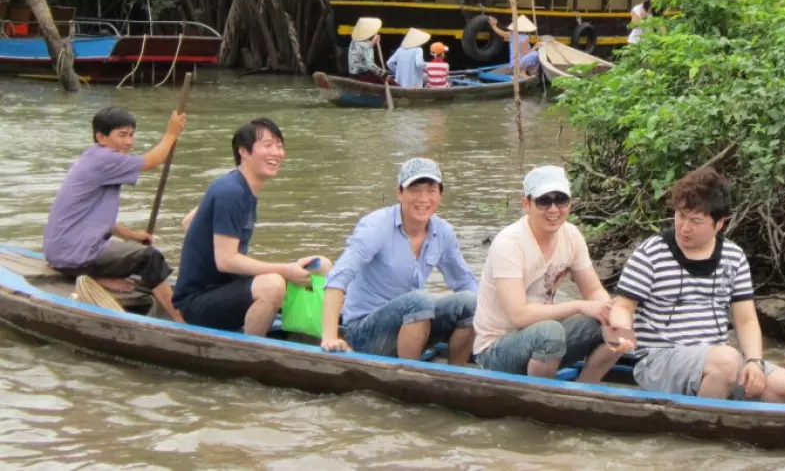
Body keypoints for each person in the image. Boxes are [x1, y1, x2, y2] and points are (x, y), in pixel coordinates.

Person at [608, 167, 785, 403]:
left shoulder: (733, 256)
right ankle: (705, 432)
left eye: (696, 221)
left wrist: (754, 362)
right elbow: (623, 306)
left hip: (717, 360)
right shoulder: (651, 252)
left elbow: (746, 320)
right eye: (680, 215)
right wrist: (622, 333)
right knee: (726, 361)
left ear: (719, 223)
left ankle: (736, 428)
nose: (684, 227)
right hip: (659, 360)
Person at [473, 165, 631, 381]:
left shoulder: (571, 235)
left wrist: (610, 313)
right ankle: (544, 397)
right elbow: (519, 316)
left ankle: (585, 390)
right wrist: (579, 306)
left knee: (614, 322)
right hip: (497, 348)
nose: (554, 209)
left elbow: (593, 289)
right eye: (544, 201)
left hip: (542, 340)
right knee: (550, 332)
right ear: (527, 204)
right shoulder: (509, 243)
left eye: (561, 200)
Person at [173, 118, 326, 335]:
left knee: (320, 265)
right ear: (244, 151)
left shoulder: (235, 185)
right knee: (273, 284)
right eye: (267, 145)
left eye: (279, 146)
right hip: (197, 302)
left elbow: (189, 222)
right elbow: (225, 261)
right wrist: (284, 270)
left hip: (226, 288)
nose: (276, 153)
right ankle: (252, 349)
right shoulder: (232, 192)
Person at [320, 157, 477, 362]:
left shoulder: (443, 232)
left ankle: (456, 375)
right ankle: (408, 375)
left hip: (414, 322)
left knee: (472, 303)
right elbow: (338, 277)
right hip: (364, 331)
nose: (423, 198)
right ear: (399, 193)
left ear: (440, 195)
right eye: (414, 190)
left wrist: (494, 326)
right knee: (419, 300)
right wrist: (329, 338)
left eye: (431, 190)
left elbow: (465, 281)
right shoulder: (376, 226)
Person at [43, 106, 188, 322]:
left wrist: (131, 235)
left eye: (131, 135)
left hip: (62, 250)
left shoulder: (93, 158)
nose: (129, 142)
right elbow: (152, 160)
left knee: (137, 250)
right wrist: (171, 134)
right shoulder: (105, 159)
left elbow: (95, 217)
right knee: (149, 258)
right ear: (101, 137)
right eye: (122, 135)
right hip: (73, 254)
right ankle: (181, 322)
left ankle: (97, 276)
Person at [348, 17, 387, 81]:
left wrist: (372, 43)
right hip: (362, 75)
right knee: (390, 81)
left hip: (352, 74)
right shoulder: (367, 46)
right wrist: (382, 72)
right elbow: (370, 66)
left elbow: (362, 49)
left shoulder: (354, 41)